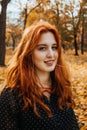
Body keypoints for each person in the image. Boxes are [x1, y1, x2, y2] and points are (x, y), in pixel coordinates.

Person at [0, 21, 79, 130]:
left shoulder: (61, 87)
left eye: (54, 47)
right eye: (42, 48)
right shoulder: (12, 95)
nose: (51, 54)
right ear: (28, 52)